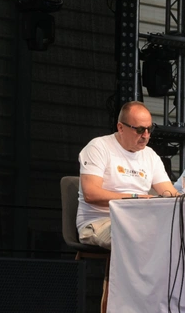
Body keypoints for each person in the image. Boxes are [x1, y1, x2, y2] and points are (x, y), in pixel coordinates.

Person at [76, 101, 178, 249]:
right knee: (141, 236)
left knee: (175, 235)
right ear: (121, 128)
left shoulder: (150, 155)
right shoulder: (98, 147)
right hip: (101, 221)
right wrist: (136, 198)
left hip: (138, 222)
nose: (146, 135)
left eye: (150, 129)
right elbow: (91, 194)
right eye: (140, 130)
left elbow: (169, 193)